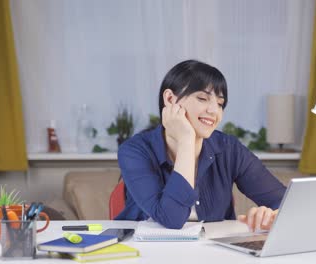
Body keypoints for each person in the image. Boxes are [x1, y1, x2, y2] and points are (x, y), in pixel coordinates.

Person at [115, 60, 286, 231]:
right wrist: (186, 140)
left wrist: (272, 215)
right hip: (147, 251)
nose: (214, 111)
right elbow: (171, 218)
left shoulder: (228, 148)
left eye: (220, 103)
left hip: (212, 250)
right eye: (202, 98)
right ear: (170, 99)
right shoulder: (134, 151)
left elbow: (283, 201)